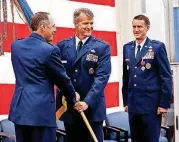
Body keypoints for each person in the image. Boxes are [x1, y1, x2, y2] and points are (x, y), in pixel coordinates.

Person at [8, 12, 77, 142]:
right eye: (52, 26)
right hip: (41, 114)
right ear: (43, 27)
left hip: (20, 112)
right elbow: (62, 80)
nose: (55, 30)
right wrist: (72, 98)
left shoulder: (16, 46)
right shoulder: (50, 50)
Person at [56, 8, 111, 142]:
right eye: (85, 23)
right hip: (70, 108)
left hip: (92, 108)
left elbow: (102, 77)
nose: (89, 27)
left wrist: (87, 102)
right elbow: (58, 74)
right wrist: (70, 95)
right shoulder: (62, 46)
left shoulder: (101, 47)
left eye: (91, 23)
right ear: (75, 23)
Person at [122, 14, 172, 142]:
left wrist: (164, 104)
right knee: (136, 139)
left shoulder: (157, 47)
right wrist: (126, 101)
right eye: (134, 27)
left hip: (151, 105)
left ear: (147, 28)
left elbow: (165, 76)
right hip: (133, 105)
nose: (136, 30)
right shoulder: (127, 47)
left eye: (140, 26)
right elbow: (126, 76)